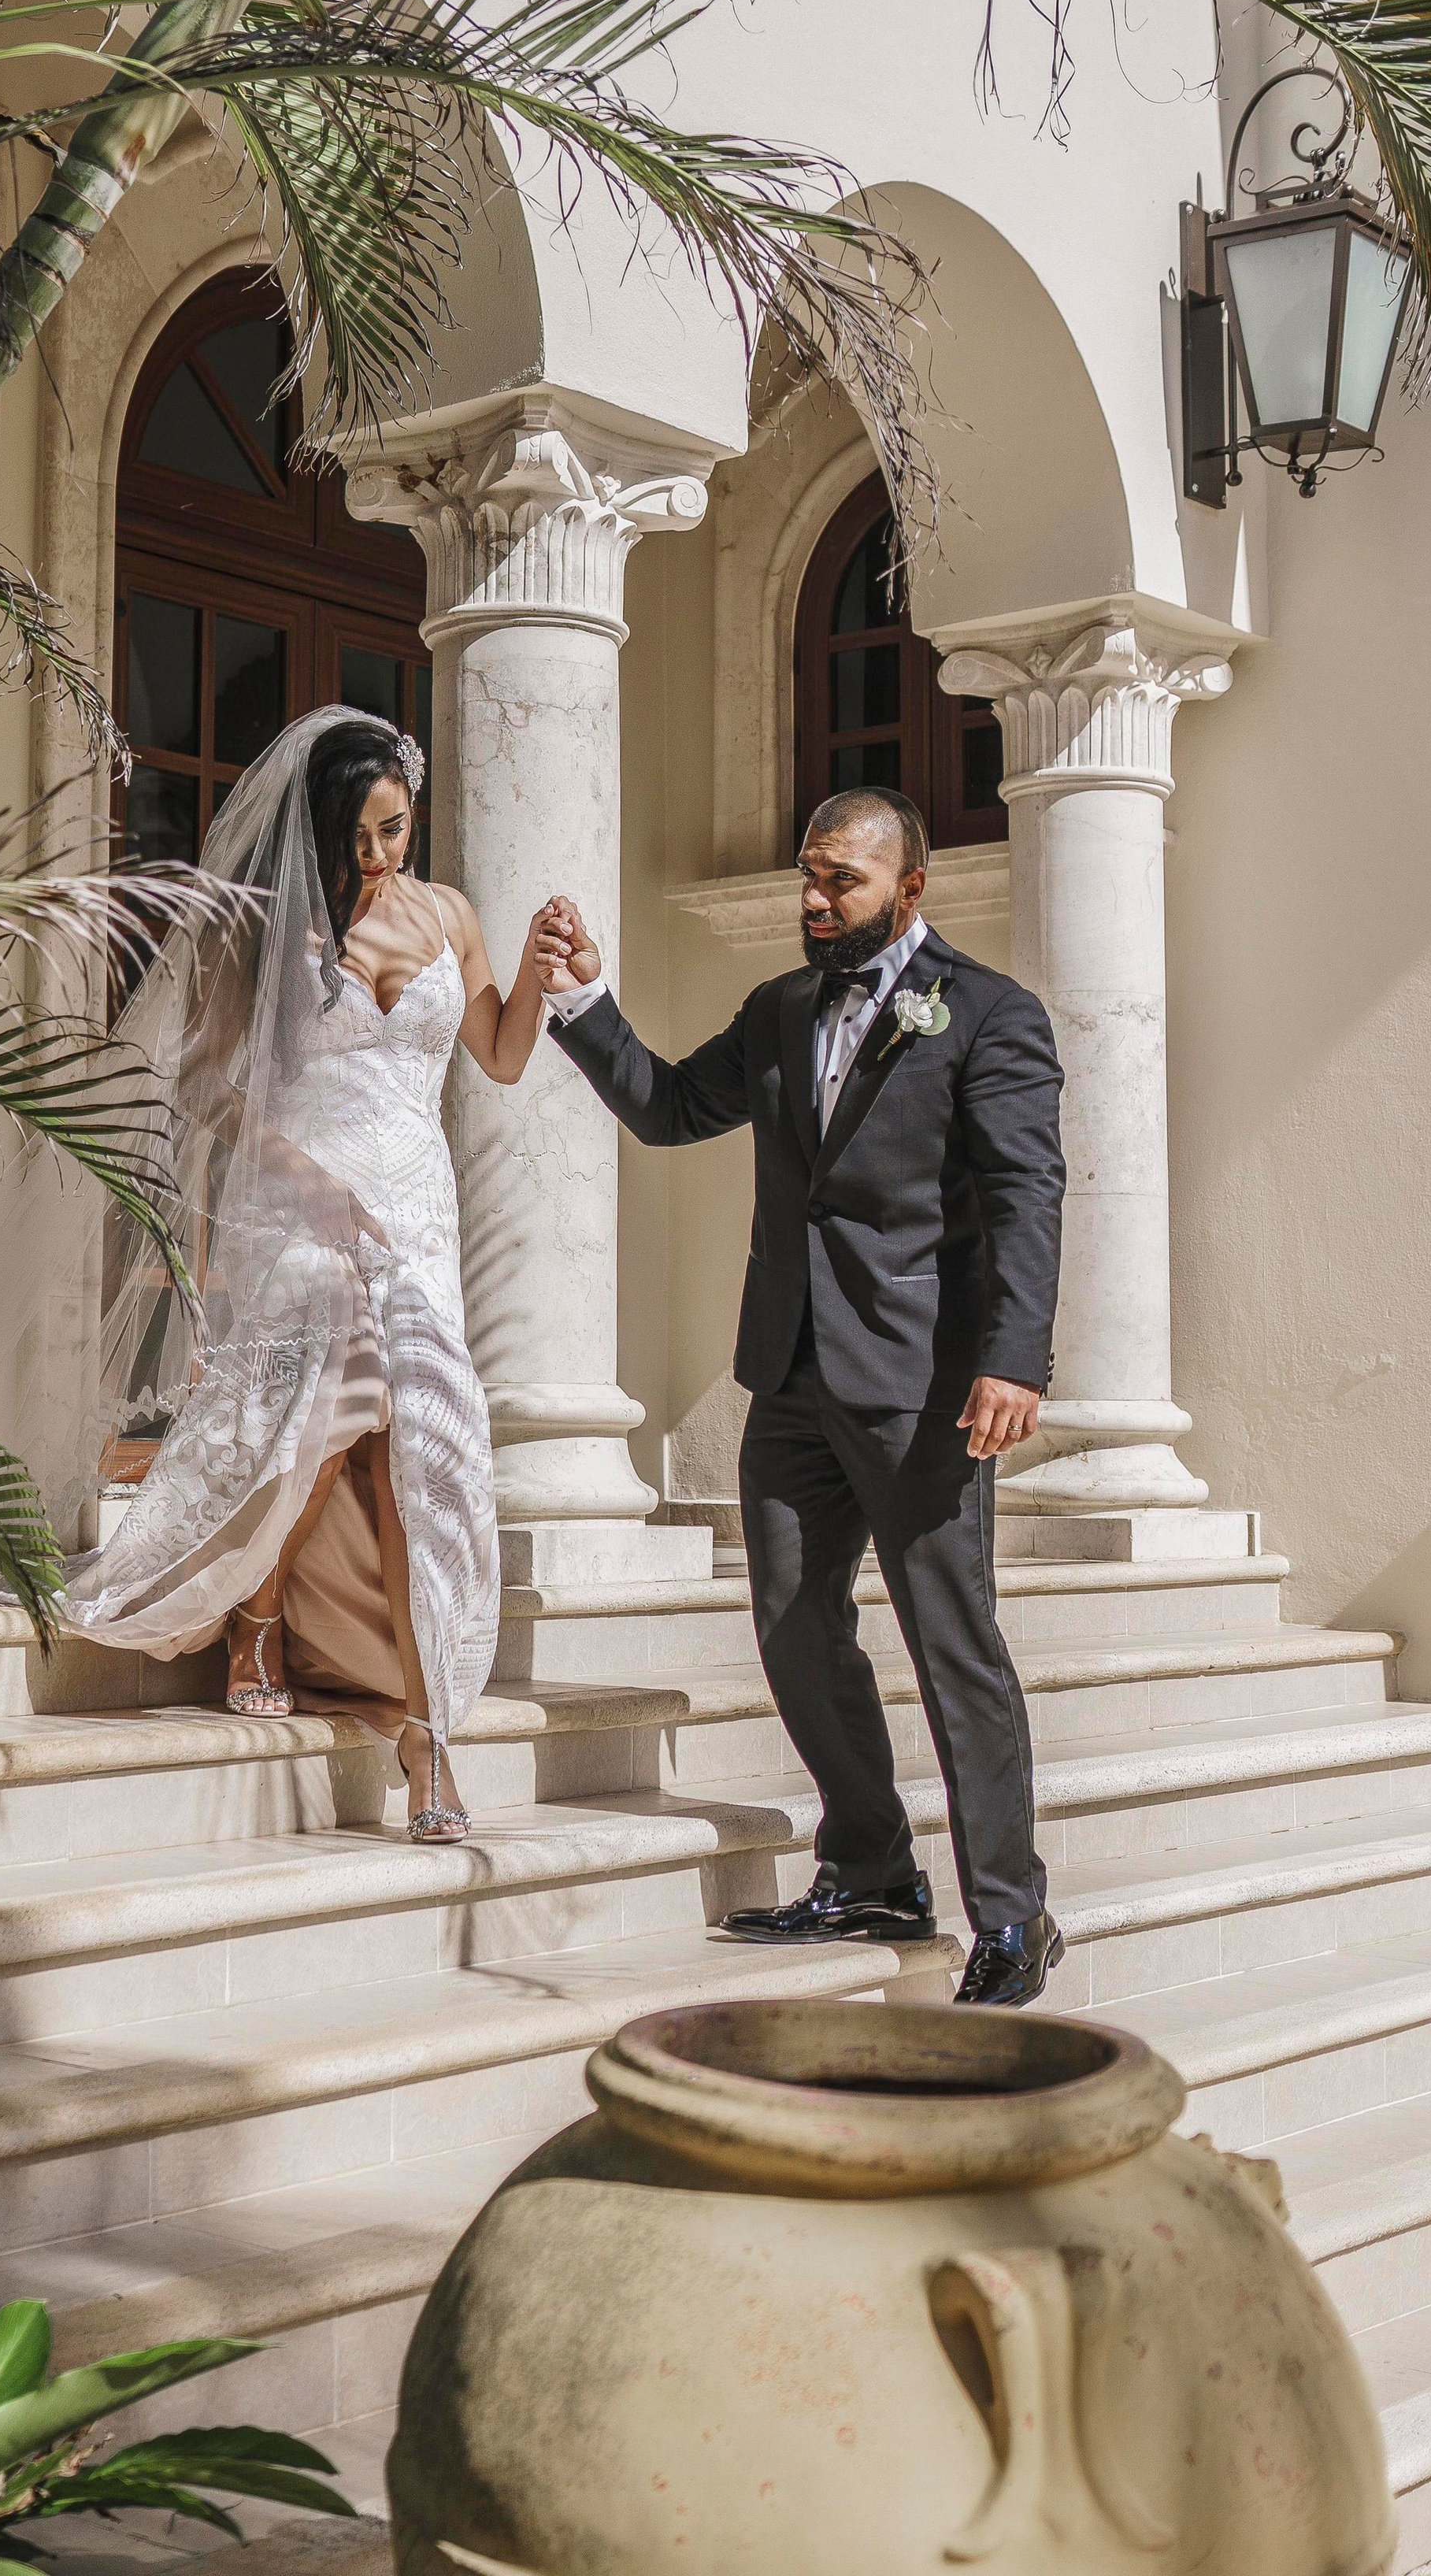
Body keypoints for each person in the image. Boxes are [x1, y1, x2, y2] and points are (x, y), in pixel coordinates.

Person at [539, 788, 1068, 2005]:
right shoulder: (781, 1009)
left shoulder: (991, 1017)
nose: (818, 902)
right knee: (792, 1621)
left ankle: (1011, 1914)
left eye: (845, 883)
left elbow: (1025, 1198)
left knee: (955, 1646)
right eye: (810, 878)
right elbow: (672, 1109)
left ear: (909, 888)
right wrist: (582, 1002)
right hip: (789, 1374)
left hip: (925, 1387)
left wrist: (1015, 1360)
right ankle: (873, 1868)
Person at [66, 707, 564, 1844]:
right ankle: (255, 1612)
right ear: (321, 831)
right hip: (305, 1202)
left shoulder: (446, 913)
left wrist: (534, 976)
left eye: (398, 830)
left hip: (416, 1211)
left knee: (413, 1452)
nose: (384, 858)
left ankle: (430, 1733)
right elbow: (199, 1083)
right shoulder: (265, 928)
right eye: (364, 838)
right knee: (338, 1417)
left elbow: (498, 1052)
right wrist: (305, 1182)